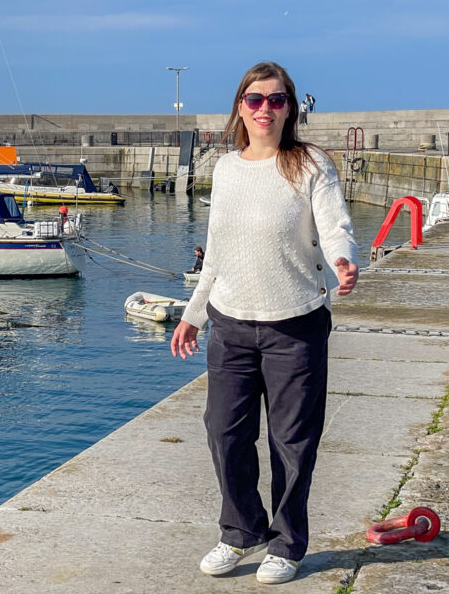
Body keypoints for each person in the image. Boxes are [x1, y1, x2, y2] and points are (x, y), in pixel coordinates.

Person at [171, 61, 358, 585]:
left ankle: (287, 543)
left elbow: (335, 223)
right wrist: (192, 315)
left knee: (291, 442)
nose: (265, 109)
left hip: (294, 324)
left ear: (290, 108)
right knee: (224, 434)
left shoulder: (310, 164)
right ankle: (241, 530)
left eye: (276, 100)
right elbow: (218, 252)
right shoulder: (227, 168)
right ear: (240, 107)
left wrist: (344, 260)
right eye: (255, 99)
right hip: (230, 324)